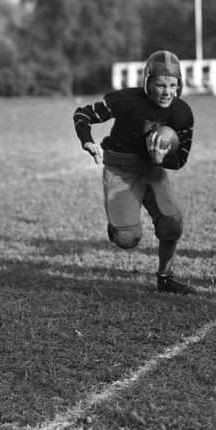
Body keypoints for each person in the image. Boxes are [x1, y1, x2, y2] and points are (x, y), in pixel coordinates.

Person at [72, 50, 195, 294]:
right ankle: (118, 228)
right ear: (147, 82)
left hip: (152, 170)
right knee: (127, 239)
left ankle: (165, 277)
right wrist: (87, 141)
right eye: (160, 84)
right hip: (120, 170)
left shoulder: (181, 113)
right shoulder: (127, 100)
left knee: (173, 225)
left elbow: (180, 159)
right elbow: (83, 114)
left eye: (173, 85)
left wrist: (161, 159)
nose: (167, 91)